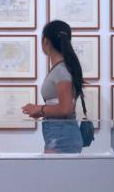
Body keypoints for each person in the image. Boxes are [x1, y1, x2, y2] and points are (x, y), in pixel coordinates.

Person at [22, 20, 84, 154]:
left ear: (45, 41)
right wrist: (40, 111)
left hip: (61, 138)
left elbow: (65, 109)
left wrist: (39, 108)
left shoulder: (61, 70)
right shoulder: (63, 69)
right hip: (59, 135)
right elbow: (63, 105)